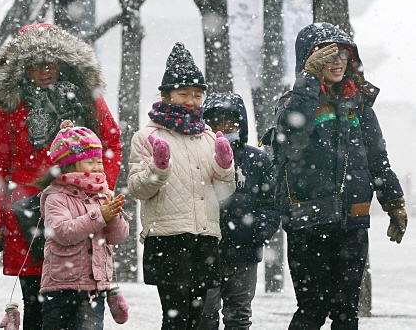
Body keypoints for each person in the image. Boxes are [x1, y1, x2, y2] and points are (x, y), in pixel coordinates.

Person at [0, 23, 122, 330]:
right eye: (35, 65)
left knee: (82, 298)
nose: (44, 71)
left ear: (63, 63)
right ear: (22, 68)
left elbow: (111, 142)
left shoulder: (86, 99)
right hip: (27, 215)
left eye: (50, 63)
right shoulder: (7, 106)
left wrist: (100, 186)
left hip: (79, 209)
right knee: (36, 305)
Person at [275, 22, 408, 329]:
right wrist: (308, 79)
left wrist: (394, 203)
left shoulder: (359, 105)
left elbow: (378, 159)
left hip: (352, 221)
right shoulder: (291, 102)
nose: (337, 63)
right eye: (326, 57)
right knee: (312, 309)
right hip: (308, 223)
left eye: (343, 56)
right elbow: (292, 133)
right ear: (308, 62)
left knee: (346, 311)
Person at [127, 42, 236, 330]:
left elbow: (225, 190)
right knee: (175, 317)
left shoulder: (209, 137)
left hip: (205, 235)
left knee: (197, 317)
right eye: (184, 93)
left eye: (198, 95)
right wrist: (158, 169)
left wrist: (226, 167)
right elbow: (138, 189)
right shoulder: (147, 136)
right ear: (166, 95)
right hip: (168, 238)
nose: (191, 101)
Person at [33, 124, 130, 329]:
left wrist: (113, 215)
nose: (97, 167)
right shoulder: (56, 196)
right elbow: (62, 232)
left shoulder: (101, 194)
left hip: (94, 288)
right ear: (69, 165)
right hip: (61, 287)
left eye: (99, 161)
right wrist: (99, 215)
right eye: (89, 162)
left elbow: (117, 237)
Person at [199, 93, 281, 330]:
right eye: (215, 122)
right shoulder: (199, 158)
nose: (223, 128)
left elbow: (272, 203)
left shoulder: (258, 160)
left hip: (244, 251)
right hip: (205, 250)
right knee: (206, 315)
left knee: (239, 316)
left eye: (231, 122)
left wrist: (258, 231)